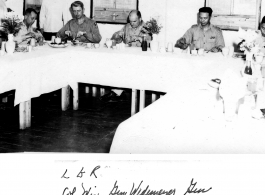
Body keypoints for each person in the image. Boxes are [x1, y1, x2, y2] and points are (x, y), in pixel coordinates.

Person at [100, 10, 150, 102]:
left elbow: (150, 42)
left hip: (142, 58)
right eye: (130, 21)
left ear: (140, 19)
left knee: (123, 67)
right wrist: (117, 35)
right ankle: (117, 92)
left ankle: (116, 92)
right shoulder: (127, 26)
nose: (132, 23)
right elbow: (114, 38)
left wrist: (141, 39)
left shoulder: (147, 27)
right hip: (128, 56)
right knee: (115, 64)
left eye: (134, 21)